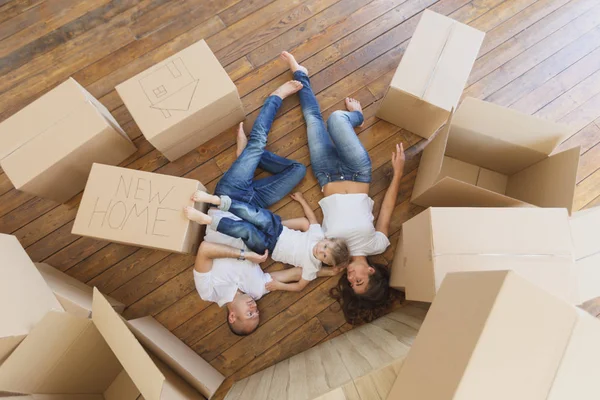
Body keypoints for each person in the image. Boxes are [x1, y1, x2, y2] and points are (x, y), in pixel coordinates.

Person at [280, 51, 406, 324]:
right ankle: (356, 117)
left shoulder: (331, 259)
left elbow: (306, 248)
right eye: (358, 282)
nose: (351, 279)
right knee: (337, 119)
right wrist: (398, 173)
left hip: (325, 176)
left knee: (313, 121)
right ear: (371, 275)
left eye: (351, 284)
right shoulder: (377, 245)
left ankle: (299, 72)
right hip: (358, 173)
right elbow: (387, 208)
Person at [192, 79, 309, 336]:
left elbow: (205, 249)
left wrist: (245, 257)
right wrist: (332, 270)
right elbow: (298, 273)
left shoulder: (208, 292)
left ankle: (276, 96)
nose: (254, 307)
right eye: (257, 313)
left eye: (249, 314)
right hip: (256, 208)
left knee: (257, 143)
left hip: (228, 199)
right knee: (297, 171)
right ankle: (245, 156)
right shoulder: (258, 289)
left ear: (232, 316)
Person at [185, 190, 350, 293]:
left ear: (323, 262)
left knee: (245, 230)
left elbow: (300, 287)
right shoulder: (317, 235)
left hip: (268, 246)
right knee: (251, 213)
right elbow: (311, 218)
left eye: (324, 256)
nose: (320, 251)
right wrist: (301, 200)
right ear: (327, 239)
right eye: (326, 246)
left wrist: (280, 286)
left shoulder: (312, 268)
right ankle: (217, 201)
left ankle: (207, 220)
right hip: (276, 228)